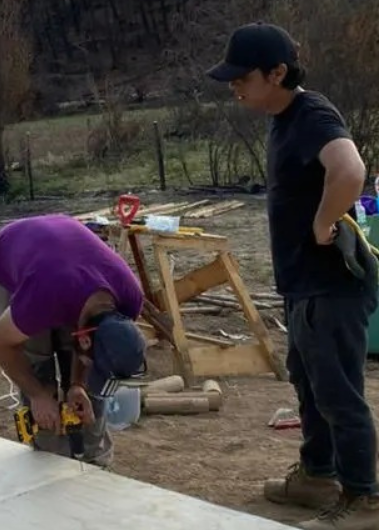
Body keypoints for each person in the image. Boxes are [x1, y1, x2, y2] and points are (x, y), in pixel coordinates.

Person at [206, 22, 379, 530]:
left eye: (243, 78)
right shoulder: (283, 118)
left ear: (277, 73)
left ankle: (365, 499)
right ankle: (317, 475)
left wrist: (324, 222)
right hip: (304, 284)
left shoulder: (312, 114)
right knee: (311, 385)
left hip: (331, 287)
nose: (235, 87)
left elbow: (350, 170)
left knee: (338, 394)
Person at [0, 214, 147, 467]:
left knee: (89, 393)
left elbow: (95, 344)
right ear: (83, 339)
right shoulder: (38, 301)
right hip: (16, 254)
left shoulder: (129, 301)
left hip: (67, 271)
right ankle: (49, 461)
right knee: (38, 367)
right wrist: (37, 395)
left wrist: (78, 385)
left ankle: (95, 463)